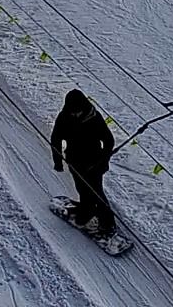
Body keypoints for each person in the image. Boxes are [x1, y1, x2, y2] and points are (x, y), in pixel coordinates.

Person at [50, 89, 116, 237]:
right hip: (74, 160)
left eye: (77, 111)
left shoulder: (94, 118)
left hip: (94, 161)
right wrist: (58, 161)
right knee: (81, 187)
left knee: (95, 190)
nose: (75, 114)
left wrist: (103, 160)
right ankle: (87, 210)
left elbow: (108, 140)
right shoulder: (64, 117)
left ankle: (107, 222)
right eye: (72, 111)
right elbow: (56, 139)